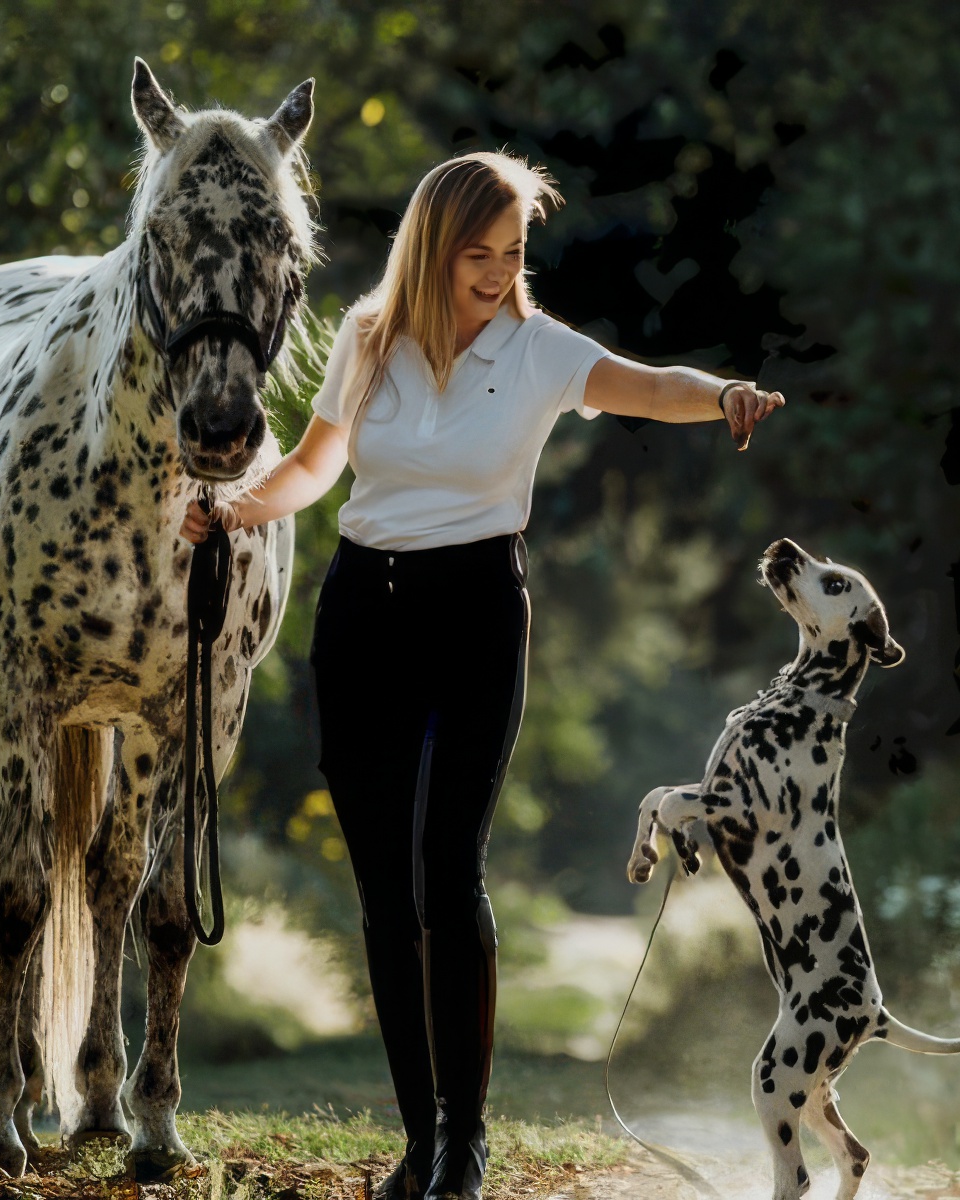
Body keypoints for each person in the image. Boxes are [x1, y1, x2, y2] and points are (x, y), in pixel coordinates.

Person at [181, 151, 783, 1200]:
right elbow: (317, 466)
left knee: (448, 870)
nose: (501, 272)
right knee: (384, 890)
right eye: (480, 254)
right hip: (364, 613)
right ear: (432, 247)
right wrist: (233, 508)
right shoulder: (369, 338)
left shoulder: (539, 350)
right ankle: (420, 1142)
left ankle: (464, 1142)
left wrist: (723, 393)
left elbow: (646, 386)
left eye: (513, 252)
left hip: (477, 614)